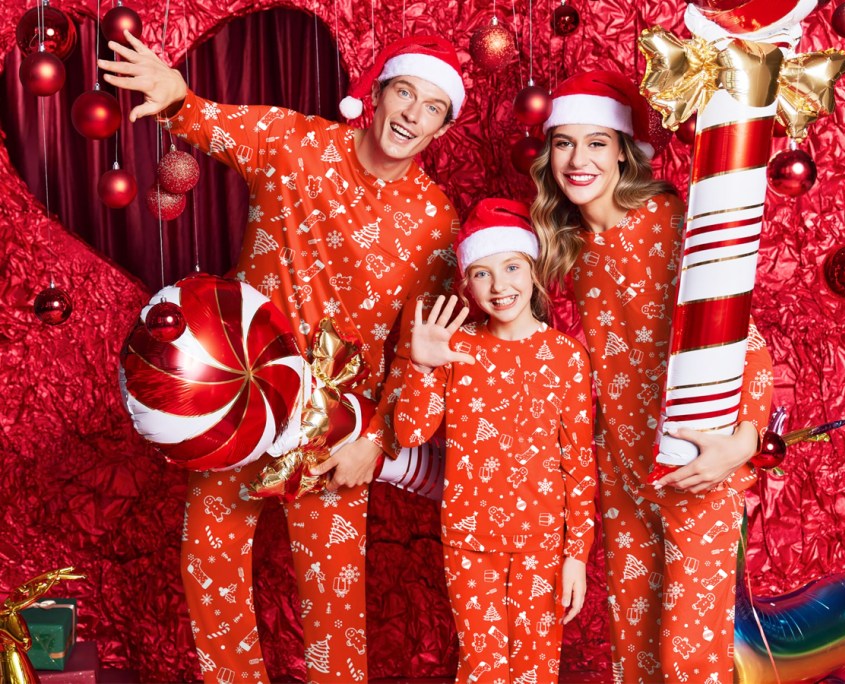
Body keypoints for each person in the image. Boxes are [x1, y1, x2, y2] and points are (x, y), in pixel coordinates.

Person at [99, 32, 466, 683]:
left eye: (433, 107)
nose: (412, 114)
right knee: (209, 565)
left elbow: (421, 353)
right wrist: (174, 97)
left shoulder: (436, 222)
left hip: (337, 429)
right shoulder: (294, 144)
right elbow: (206, 118)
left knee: (332, 604)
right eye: (405, 92)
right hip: (238, 401)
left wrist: (375, 443)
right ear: (378, 93)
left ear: (442, 125)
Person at [529, 71, 775, 683]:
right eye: (563, 143)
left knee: (689, 654)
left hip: (696, 460)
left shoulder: (670, 219)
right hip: (621, 471)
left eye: (595, 142)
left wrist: (742, 444)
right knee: (632, 647)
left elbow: (747, 339)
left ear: (622, 150)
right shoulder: (570, 246)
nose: (578, 159)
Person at [393, 199, 597, 684]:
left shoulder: (565, 356)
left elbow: (579, 464)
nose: (500, 285)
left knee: (536, 670)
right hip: (469, 539)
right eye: (482, 274)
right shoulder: (455, 346)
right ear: (467, 283)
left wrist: (576, 556)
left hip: (542, 544)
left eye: (510, 267)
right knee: (481, 668)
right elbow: (408, 433)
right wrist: (420, 366)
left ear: (533, 269)